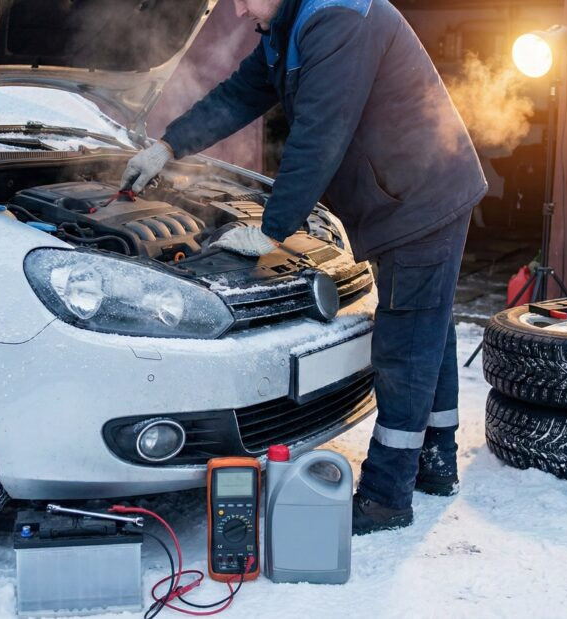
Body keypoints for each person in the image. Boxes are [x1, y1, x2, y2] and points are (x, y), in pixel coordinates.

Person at [121, 0, 487, 534]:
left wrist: (272, 230)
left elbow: (320, 135)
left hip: (421, 196)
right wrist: (168, 145)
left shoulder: (337, 18)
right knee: (427, 325)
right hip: (400, 193)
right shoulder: (285, 24)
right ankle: (435, 461)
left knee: (407, 341)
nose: (238, 10)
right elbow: (239, 94)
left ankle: (387, 496)